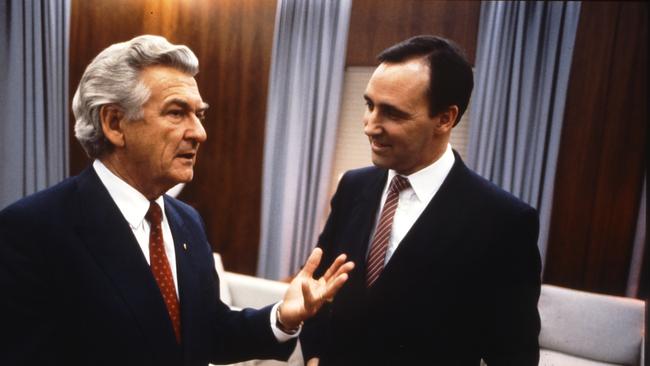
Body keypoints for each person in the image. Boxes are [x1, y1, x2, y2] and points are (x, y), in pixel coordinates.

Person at [0, 35, 354, 366]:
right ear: (114, 124)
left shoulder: (186, 220)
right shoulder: (32, 231)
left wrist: (281, 317)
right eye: (176, 112)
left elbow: (207, 331)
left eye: (199, 114)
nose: (199, 132)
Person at [300, 35, 542, 365]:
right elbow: (316, 288)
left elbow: (514, 356)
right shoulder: (352, 186)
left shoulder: (504, 222)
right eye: (370, 105)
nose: (370, 126)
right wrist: (314, 357)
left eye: (392, 113)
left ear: (445, 118)